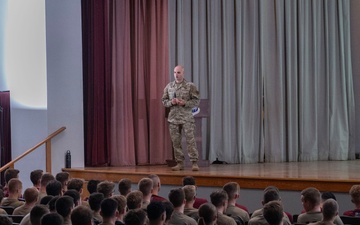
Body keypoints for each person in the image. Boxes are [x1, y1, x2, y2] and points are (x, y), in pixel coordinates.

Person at [162, 65, 200, 171]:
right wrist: (171, 102)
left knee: (190, 140)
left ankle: (194, 162)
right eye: (175, 73)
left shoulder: (190, 86)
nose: (176, 75)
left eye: (178, 73)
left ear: (183, 73)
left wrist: (185, 103)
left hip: (187, 118)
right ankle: (180, 163)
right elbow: (164, 101)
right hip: (173, 119)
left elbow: (196, 101)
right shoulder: (169, 86)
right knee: (175, 141)